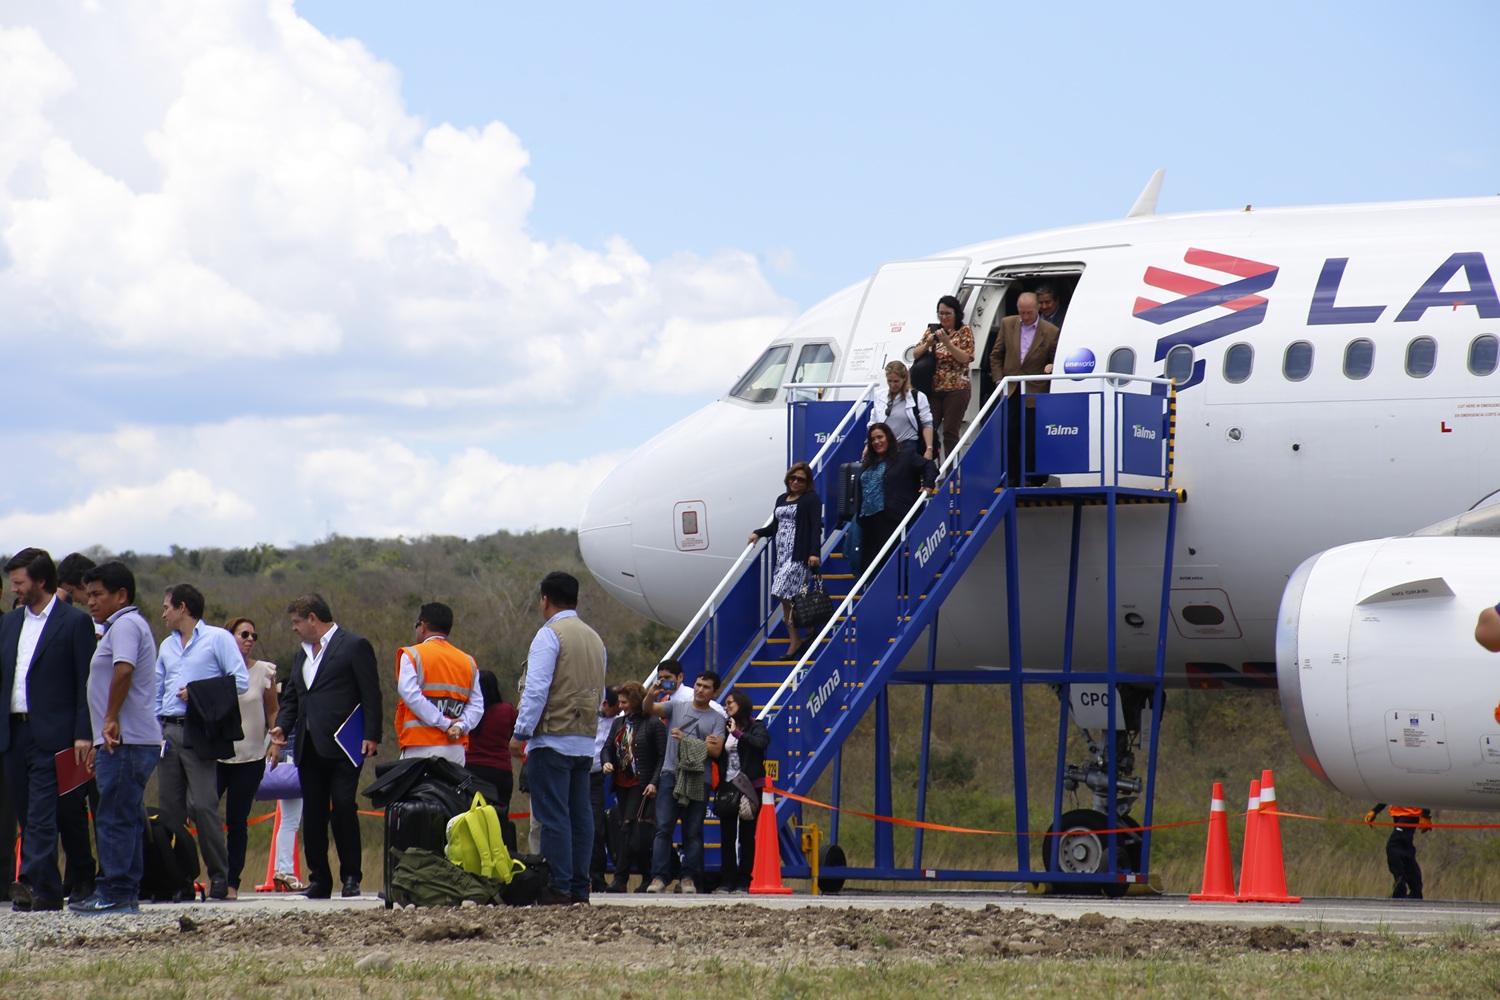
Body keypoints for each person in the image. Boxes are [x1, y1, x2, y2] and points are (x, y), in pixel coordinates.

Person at [269, 593, 383, 899]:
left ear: (312, 619)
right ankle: (319, 879)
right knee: (314, 813)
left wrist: (372, 734)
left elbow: (371, 693)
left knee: (344, 806)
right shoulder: (300, 656)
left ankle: (351, 877)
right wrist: (282, 726)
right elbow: (293, 697)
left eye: (296, 622)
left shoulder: (354, 645)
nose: (293, 628)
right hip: (309, 746)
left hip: (345, 745)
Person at [0, 548, 95, 912]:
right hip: (13, 733)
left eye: (20, 582)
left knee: (41, 814)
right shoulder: (8, 624)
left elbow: (84, 683)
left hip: (53, 735)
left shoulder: (73, 623)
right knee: (26, 812)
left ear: (41, 582)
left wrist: (83, 733)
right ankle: (49, 891)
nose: (14, 589)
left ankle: (28, 880)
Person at [508, 572, 608, 906]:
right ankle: (580, 888)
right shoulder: (595, 639)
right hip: (585, 744)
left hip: (551, 739)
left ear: (544, 600)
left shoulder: (549, 636)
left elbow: (536, 690)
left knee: (552, 818)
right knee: (581, 818)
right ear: (576, 601)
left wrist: (521, 732)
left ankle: (558, 887)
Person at [69, 561, 161, 914]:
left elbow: (123, 670)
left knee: (114, 816)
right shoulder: (122, 626)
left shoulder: (124, 625)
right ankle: (123, 889)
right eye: (88, 594)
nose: (90, 601)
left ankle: (116, 891)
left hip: (126, 741)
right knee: (122, 814)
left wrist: (109, 720)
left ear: (121, 595)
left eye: (98, 594)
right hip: (119, 741)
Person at [156, 584, 249, 901]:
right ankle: (177, 879)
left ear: (183, 607)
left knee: (203, 806)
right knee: (170, 811)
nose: (163, 613)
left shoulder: (218, 639)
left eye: (167, 606)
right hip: (167, 732)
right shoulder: (166, 646)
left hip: (198, 731)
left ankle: (219, 877)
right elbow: (158, 689)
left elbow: (240, 681)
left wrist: (196, 693)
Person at [642, 670, 727, 894]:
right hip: (671, 773)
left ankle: (689, 877)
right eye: (698, 684)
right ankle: (659, 877)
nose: (700, 690)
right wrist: (651, 694)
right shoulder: (677, 706)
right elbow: (648, 709)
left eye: (706, 687)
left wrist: (686, 739)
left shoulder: (718, 718)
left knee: (693, 831)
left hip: (700, 776)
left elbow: (716, 750)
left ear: (714, 692)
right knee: (663, 828)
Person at [217, 617, 278, 900]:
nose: (250, 639)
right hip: (217, 756)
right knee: (203, 813)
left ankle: (231, 882)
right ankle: (202, 876)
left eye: (254, 634)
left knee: (237, 821)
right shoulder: (215, 668)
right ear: (229, 637)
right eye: (244, 634)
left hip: (251, 757)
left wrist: (276, 742)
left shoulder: (264, 671)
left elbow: (273, 711)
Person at [747, 462, 823, 662]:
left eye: (801, 479)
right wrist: (759, 532)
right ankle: (797, 638)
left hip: (799, 556)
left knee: (781, 592)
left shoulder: (811, 499)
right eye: (793, 478)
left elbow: (816, 527)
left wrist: (815, 552)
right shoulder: (782, 498)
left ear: (807, 483)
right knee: (788, 598)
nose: (796, 482)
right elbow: (776, 526)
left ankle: (806, 628)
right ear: (788, 478)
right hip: (782, 556)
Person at [395, 602, 484, 763]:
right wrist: (459, 726)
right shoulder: (468, 661)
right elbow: (477, 706)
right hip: (455, 748)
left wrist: (444, 723)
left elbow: (410, 694)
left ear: (423, 626)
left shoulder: (412, 655)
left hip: (420, 745)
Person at [988, 291, 1061, 486]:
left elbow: (1056, 359)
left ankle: (1031, 477)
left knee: (1031, 435)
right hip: (1010, 388)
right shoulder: (1007, 324)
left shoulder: (1051, 331)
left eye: (1029, 312)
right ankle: (1012, 475)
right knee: (1009, 432)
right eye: (1022, 312)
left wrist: (1051, 365)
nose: (1025, 317)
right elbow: (996, 356)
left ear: (1037, 309)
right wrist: (999, 382)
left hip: (1034, 390)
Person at [600, 681, 665, 892]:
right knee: (631, 831)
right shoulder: (618, 723)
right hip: (621, 783)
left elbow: (662, 757)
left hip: (641, 784)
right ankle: (646, 876)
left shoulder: (653, 724)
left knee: (629, 826)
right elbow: (607, 747)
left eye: (625, 702)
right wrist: (606, 762)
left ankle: (621, 879)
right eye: (619, 702)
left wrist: (654, 782)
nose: (621, 706)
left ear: (636, 702)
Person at [855, 422, 938, 567]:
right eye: (872, 439)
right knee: (869, 564)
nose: (876, 442)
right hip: (868, 521)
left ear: (888, 437)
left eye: (880, 437)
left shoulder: (904, 455)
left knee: (890, 563)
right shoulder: (869, 462)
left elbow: (929, 466)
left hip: (893, 518)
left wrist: (928, 486)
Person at [715, 689, 770, 894]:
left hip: (749, 787)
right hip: (727, 786)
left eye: (731, 703)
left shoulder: (757, 726)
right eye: (726, 703)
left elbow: (760, 744)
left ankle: (743, 881)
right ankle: (727, 880)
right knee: (727, 837)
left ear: (742, 704)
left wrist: (737, 733)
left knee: (747, 836)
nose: (727, 706)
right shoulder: (723, 726)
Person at [911, 295, 975, 460]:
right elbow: (915, 353)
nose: (944, 317)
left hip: (957, 388)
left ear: (956, 314)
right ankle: (929, 469)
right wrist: (928, 345)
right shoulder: (933, 330)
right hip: (934, 388)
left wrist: (947, 342)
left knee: (950, 431)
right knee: (929, 428)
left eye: (948, 313)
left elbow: (965, 357)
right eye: (941, 313)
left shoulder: (964, 331)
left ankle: (951, 473)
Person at [466, 670, 518, 818]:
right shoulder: (507, 711)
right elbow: (516, 735)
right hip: (500, 771)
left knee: (471, 819)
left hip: (470, 770)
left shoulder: (467, 712)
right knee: (500, 818)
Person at [1364, 803, 1432, 899]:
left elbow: (1422, 790)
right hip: (1398, 812)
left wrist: (1425, 814)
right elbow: (1392, 790)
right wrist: (1375, 810)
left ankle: (1399, 890)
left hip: (1410, 813)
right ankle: (1416, 892)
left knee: (1393, 847)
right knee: (1406, 852)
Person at [589, 686, 621, 892]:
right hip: (576, 774)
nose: (619, 711)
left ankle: (597, 878)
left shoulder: (619, 722)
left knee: (596, 826)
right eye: (616, 707)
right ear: (605, 704)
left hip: (597, 778)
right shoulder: (587, 716)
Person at [871, 360, 933, 460]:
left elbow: (927, 424)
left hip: (907, 445)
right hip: (884, 446)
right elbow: (873, 423)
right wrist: (867, 445)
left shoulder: (918, 397)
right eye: (889, 381)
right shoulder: (879, 396)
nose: (892, 385)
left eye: (896, 381)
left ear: (904, 378)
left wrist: (929, 449)